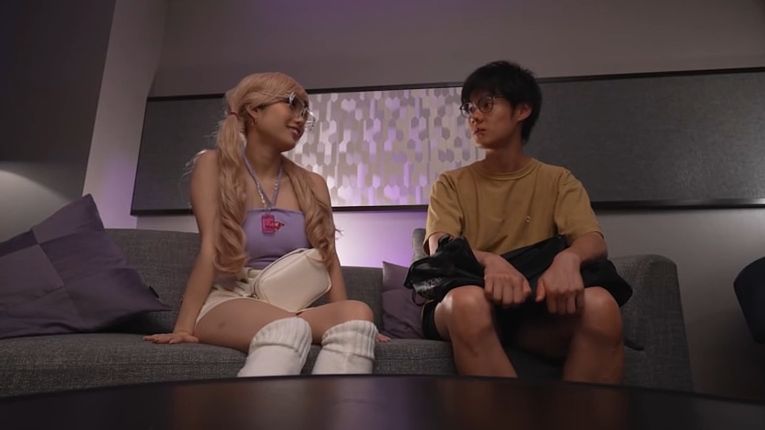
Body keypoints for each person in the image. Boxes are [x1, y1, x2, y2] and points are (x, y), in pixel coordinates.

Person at [145, 72, 384, 376]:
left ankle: (335, 405)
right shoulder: (212, 165)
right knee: (287, 328)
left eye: (305, 111)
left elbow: (329, 257)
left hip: (291, 303)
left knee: (358, 316)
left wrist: (346, 319)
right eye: (291, 104)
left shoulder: (313, 183)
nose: (301, 118)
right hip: (230, 301)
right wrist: (183, 327)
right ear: (255, 110)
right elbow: (209, 248)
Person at [422, 61, 624, 384]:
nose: (474, 116)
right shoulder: (450, 183)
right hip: (467, 302)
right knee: (468, 302)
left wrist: (568, 259)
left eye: (486, 104)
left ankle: (577, 411)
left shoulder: (558, 180)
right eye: (470, 108)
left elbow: (593, 240)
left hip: (533, 311)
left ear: (522, 110)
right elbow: (439, 246)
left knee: (602, 305)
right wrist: (491, 262)